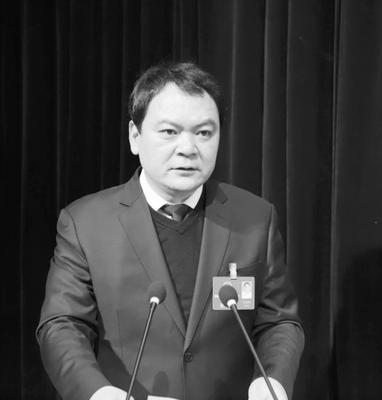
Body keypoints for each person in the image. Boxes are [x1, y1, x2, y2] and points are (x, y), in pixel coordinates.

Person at [37, 62, 304, 400]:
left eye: (204, 133)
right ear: (135, 137)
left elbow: (278, 322)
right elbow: (63, 325)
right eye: (169, 132)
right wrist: (98, 393)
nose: (188, 148)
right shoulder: (85, 223)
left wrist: (272, 382)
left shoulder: (254, 219)